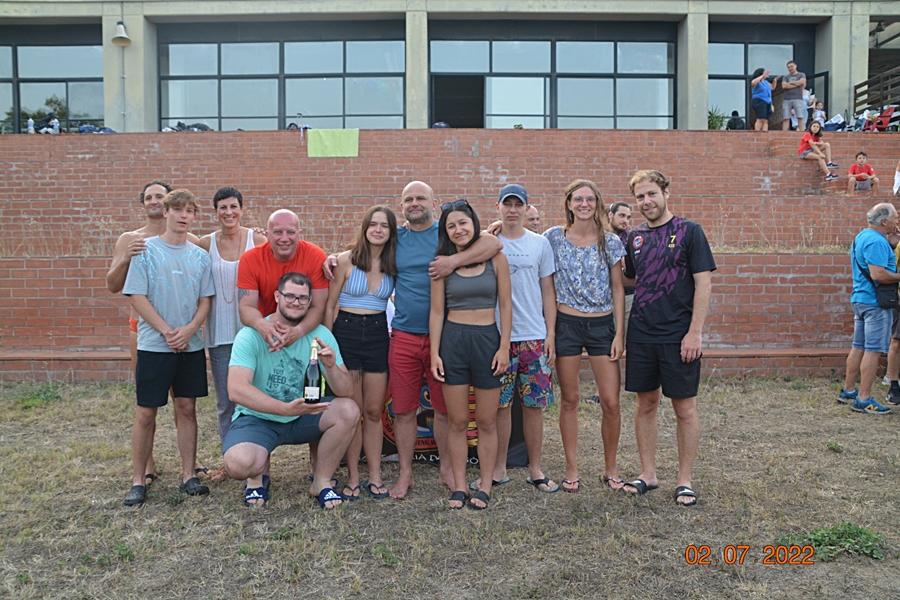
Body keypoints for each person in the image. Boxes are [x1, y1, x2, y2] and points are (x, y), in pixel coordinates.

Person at [322, 181, 502, 500]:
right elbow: (365, 248)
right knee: (403, 411)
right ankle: (405, 474)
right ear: (402, 206)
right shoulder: (397, 238)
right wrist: (333, 257)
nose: (414, 203)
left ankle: (448, 469)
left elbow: (490, 243)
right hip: (403, 336)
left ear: (435, 204)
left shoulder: (447, 234)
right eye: (408, 199)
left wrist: (452, 262)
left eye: (421, 198)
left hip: (445, 338)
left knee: (444, 411)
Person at [224, 272, 360, 509]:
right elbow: (235, 390)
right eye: (290, 296)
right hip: (260, 418)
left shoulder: (321, 335)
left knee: (348, 410)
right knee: (238, 464)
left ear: (309, 302)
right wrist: (284, 409)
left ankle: (321, 481)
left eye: (303, 298)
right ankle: (256, 479)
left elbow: (346, 390)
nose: (296, 302)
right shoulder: (251, 335)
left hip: (303, 416)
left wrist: (331, 368)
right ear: (277, 296)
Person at [622, 170, 716, 507]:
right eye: (640, 197)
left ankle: (684, 480)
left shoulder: (690, 231)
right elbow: (628, 280)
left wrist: (695, 332)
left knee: (684, 408)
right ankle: (648, 474)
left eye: (651, 194)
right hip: (642, 333)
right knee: (645, 404)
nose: (646, 202)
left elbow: (703, 283)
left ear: (665, 192)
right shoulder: (632, 238)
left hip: (679, 336)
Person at [106, 180, 205, 489]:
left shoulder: (198, 249)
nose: (182, 214)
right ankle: (141, 475)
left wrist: (188, 329)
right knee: (147, 408)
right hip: (150, 337)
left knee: (185, 406)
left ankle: (189, 472)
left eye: (188, 210)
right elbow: (124, 289)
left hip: (188, 341)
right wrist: (165, 330)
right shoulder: (136, 243)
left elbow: (207, 296)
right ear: (165, 210)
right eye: (176, 209)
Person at [544, 179, 626, 493]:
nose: (584, 204)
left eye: (590, 199)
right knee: (570, 399)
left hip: (602, 325)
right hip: (566, 323)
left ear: (598, 204)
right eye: (578, 199)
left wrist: (619, 333)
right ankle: (571, 468)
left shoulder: (610, 241)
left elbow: (618, 288)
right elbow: (545, 283)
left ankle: (611, 467)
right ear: (568, 203)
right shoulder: (552, 237)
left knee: (610, 401)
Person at [236, 209, 330, 481]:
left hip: (303, 335)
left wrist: (298, 331)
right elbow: (245, 306)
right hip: (263, 336)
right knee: (261, 396)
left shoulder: (314, 255)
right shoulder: (251, 259)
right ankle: (259, 471)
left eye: (291, 232)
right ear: (268, 233)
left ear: (300, 233)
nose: (284, 238)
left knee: (313, 397)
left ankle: (317, 468)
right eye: (277, 232)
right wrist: (264, 326)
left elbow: (319, 305)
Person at [430, 199, 511, 510]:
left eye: (463, 222)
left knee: (487, 421)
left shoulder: (496, 258)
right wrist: (435, 353)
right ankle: (461, 485)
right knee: (458, 421)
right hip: (453, 342)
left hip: (487, 341)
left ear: (474, 224)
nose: (458, 229)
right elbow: (437, 312)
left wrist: (503, 347)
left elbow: (506, 305)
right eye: (451, 226)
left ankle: (485, 485)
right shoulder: (441, 264)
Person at [480, 184, 558, 494]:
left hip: (533, 338)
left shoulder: (540, 244)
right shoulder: (489, 243)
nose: (513, 210)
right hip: (498, 338)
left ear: (527, 209)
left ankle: (535, 469)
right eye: (507, 204)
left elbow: (548, 292)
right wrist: (488, 233)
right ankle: (498, 469)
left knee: (533, 406)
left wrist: (550, 334)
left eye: (518, 204)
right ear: (497, 207)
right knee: (500, 406)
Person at [324, 206, 397, 501]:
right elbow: (329, 305)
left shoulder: (395, 264)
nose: (378, 230)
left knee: (373, 411)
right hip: (346, 333)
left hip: (379, 333)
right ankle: (354, 475)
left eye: (384, 226)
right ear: (365, 228)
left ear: (391, 232)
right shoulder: (344, 261)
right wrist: (329, 343)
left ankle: (375, 475)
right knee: (352, 411)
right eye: (373, 224)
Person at [198, 187, 266, 481]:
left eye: (233, 207)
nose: (228, 213)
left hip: (252, 333)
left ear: (242, 209)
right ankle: (230, 460)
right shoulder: (204, 243)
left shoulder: (257, 238)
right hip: (220, 333)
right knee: (226, 401)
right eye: (222, 208)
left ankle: (259, 459)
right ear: (215, 212)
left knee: (254, 398)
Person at [839, 203, 900, 415]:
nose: (897, 222)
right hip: (875, 303)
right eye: (895, 218)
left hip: (860, 299)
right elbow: (879, 275)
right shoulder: (876, 241)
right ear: (884, 221)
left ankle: (848, 390)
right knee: (873, 351)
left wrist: (891, 243)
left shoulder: (863, 237)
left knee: (859, 345)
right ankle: (864, 399)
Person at [782, 60, 807, 131]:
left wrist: (790, 83)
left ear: (795, 66)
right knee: (786, 117)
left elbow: (802, 82)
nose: (790, 68)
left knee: (800, 116)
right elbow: (784, 86)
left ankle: (802, 132)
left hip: (798, 98)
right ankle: (784, 133)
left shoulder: (801, 74)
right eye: (788, 67)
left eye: (791, 66)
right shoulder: (785, 77)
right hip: (787, 99)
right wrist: (797, 84)